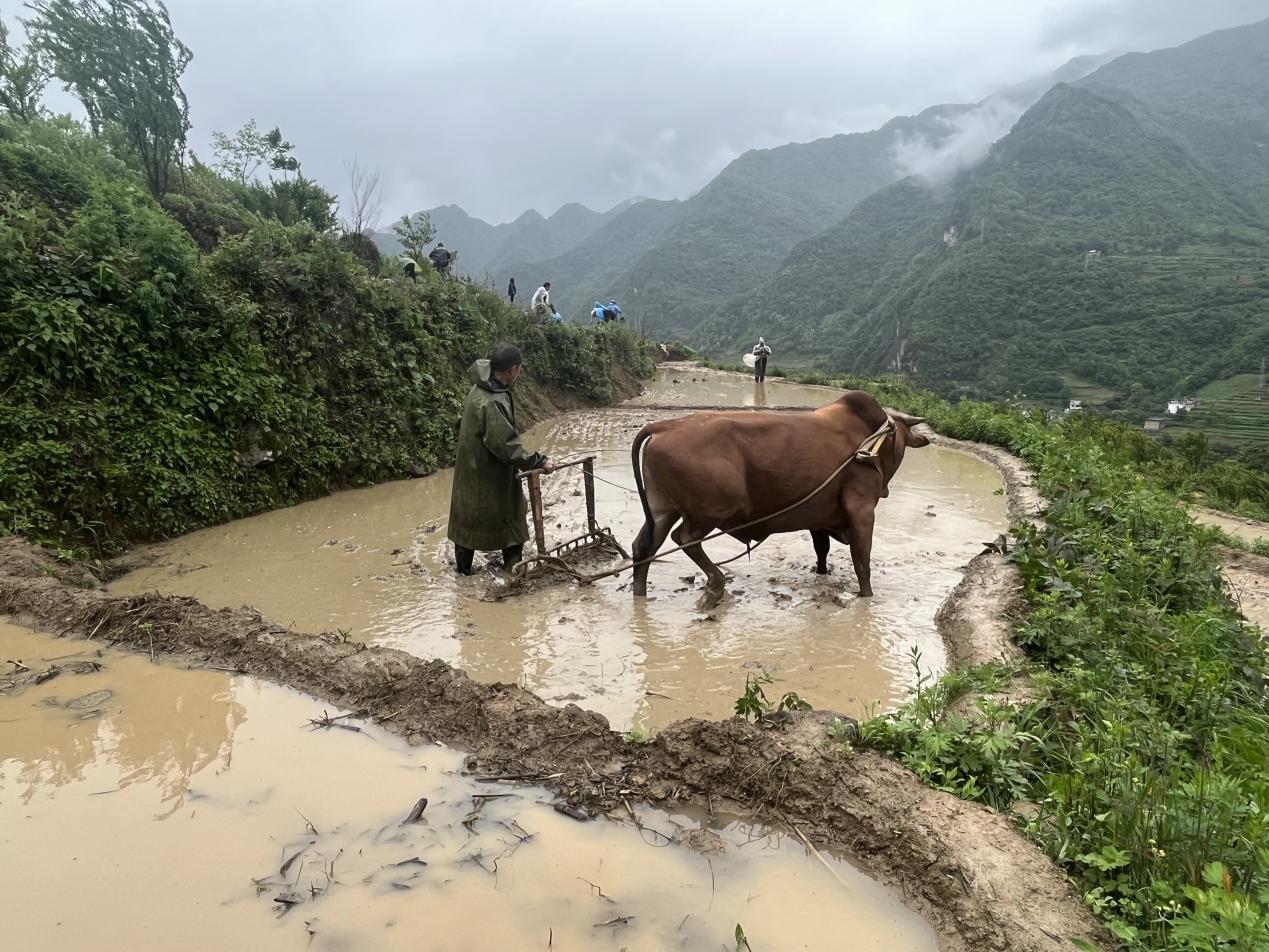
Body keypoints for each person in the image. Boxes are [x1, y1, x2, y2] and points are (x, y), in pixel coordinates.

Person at [448, 344, 556, 575]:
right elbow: (507, 446)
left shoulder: (479, 389)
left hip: (470, 467)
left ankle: (463, 574)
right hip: (489, 474)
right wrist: (539, 461)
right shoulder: (492, 401)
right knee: (511, 518)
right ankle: (513, 571)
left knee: (467, 520)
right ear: (512, 370)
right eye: (518, 371)